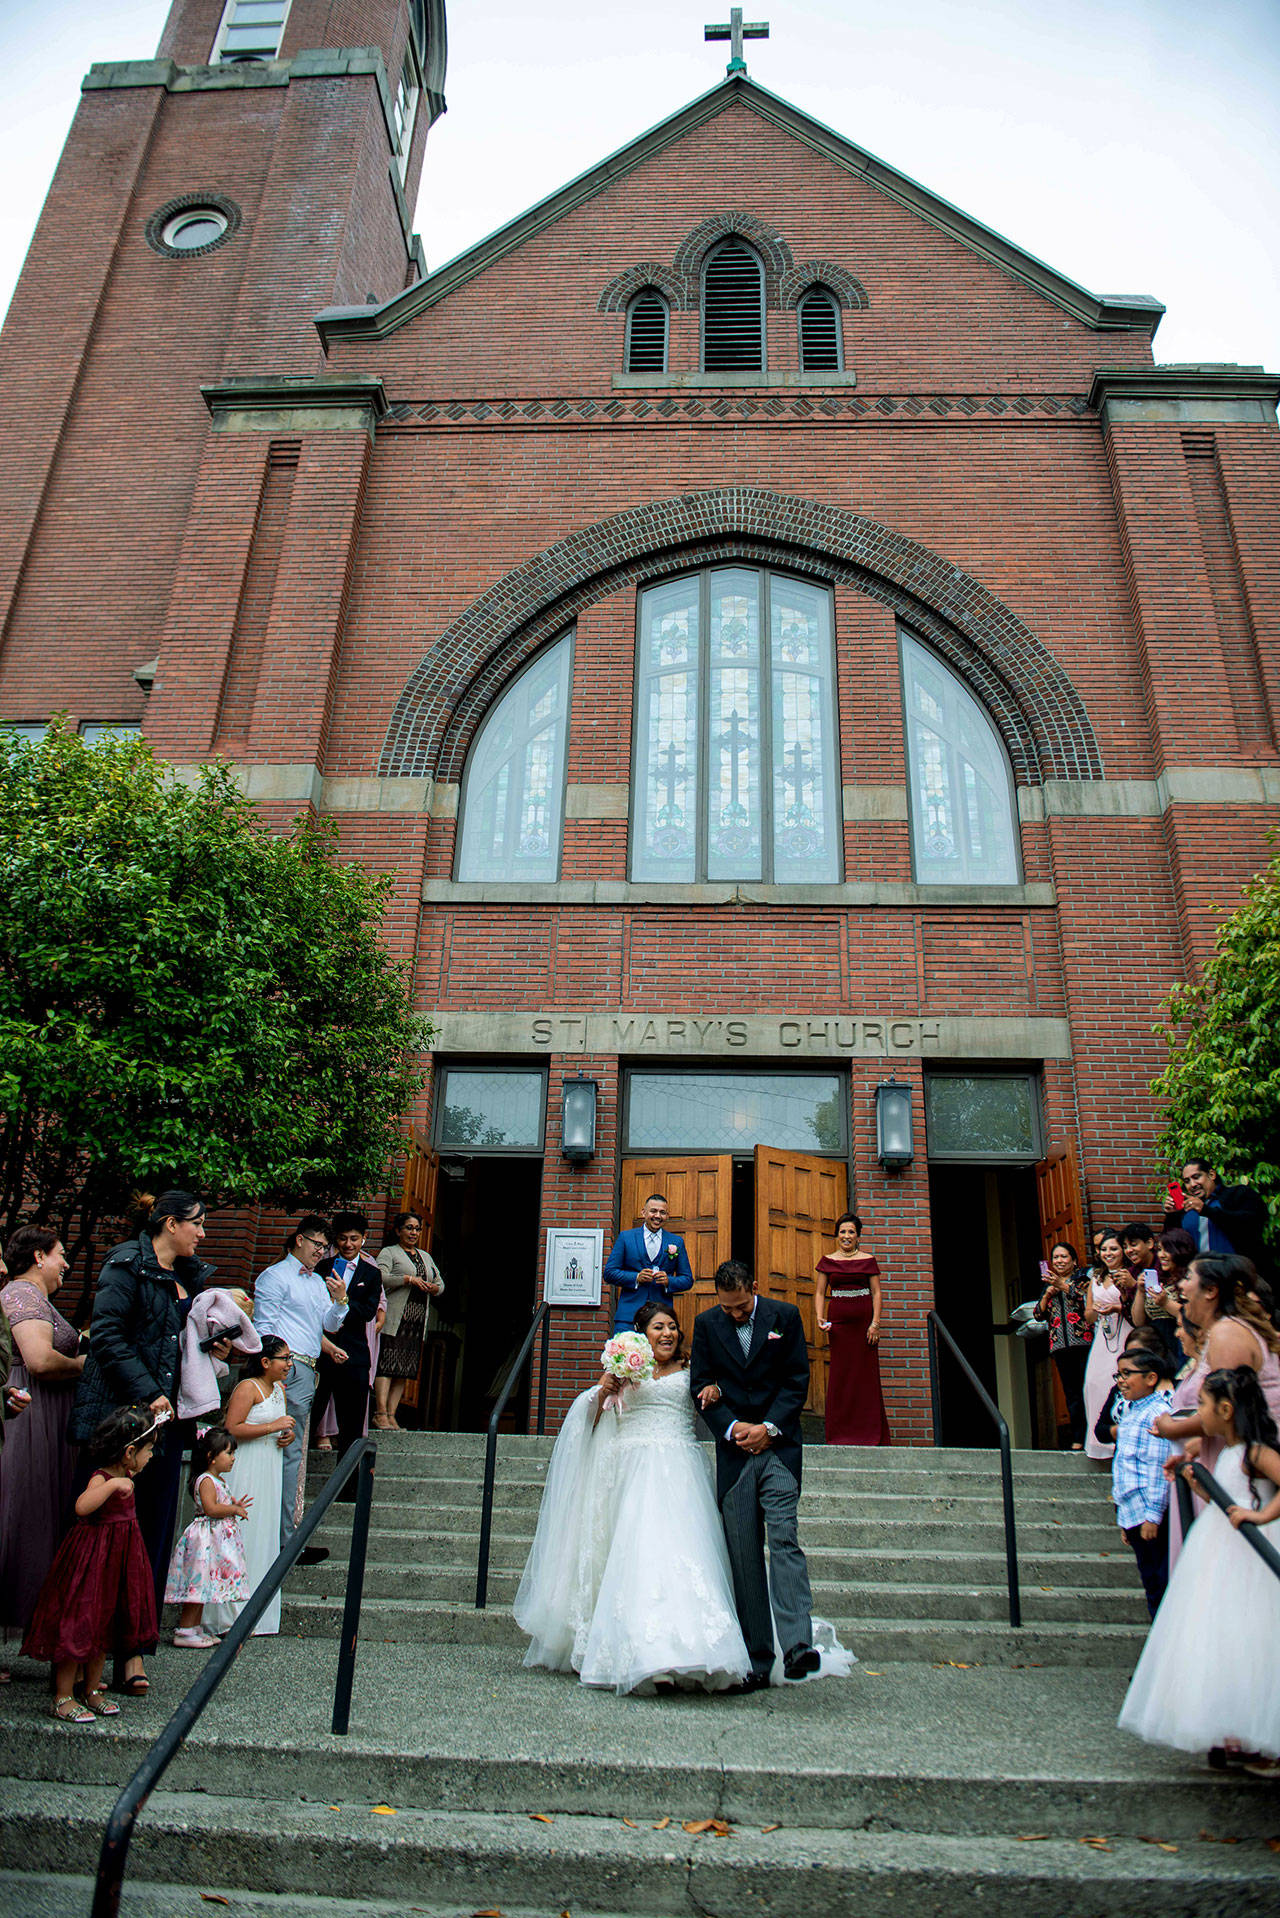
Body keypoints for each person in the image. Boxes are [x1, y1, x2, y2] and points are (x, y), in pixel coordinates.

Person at [514, 1301, 753, 1693]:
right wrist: (603, 1390)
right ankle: (642, 1652)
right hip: (630, 1473)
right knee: (638, 1554)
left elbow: (718, 1403)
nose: (668, 1334)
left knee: (683, 1554)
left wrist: (715, 1388)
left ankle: (690, 1649)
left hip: (680, 1472)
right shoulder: (627, 1372)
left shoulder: (693, 1371)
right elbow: (593, 1419)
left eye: (673, 1327)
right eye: (659, 1327)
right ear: (642, 1334)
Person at [68, 1189, 214, 1694]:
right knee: (101, 1539)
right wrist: (150, 1392)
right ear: (170, 1223)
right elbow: (106, 1336)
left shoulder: (191, 1277)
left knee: (149, 1539)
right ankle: (80, 1655)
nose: (203, 1233)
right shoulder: (125, 1264)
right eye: (196, 1223)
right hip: (120, 1421)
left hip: (166, 1426)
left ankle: (134, 1652)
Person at [1119, 1367, 1280, 1770]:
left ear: (1225, 1409)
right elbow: (1222, 1497)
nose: (1198, 1413)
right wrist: (1194, 1482)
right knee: (1221, 1636)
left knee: (1252, 1636)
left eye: (1203, 1405)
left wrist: (1262, 1517)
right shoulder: (1227, 1452)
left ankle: (1256, 1737)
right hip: (1218, 1549)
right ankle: (1231, 1732)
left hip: (1248, 1555)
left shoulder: (1256, 1452)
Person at [690, 1261, 825, 1690]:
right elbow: (701, 1384)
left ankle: (797, 1645)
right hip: (735, 1455)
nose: (735, 1314)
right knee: (744, 1555)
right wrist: (732, 1428)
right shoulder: (707, 1324)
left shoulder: (784, 1317)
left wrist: (768, 1428)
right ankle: (757, 1658)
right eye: (728, 1308)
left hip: (780, 1450)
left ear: (754, 1289)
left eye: (742, 1306)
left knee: (784, 1539)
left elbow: (796, 1380)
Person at [23, 1406, 158, 1724]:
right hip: (93, 1561)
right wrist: (111, 1486)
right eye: (148, 1450)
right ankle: (63, 1695)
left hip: (118, 1561)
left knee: (104, 1626)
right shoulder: (103, 1477)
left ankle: (92, 1689)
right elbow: (82, 1507)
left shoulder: (126, 1476)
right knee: (81, 1623)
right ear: (129, 1452)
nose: (151, 1456)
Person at [0, 1228, 86, 1649]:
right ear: (38, 1256)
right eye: (60, 1255)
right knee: (20, 1516)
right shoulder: (22, 1294)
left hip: (48, 1417)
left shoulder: (37, 1298)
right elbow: (38, 1359)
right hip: (26, 1416)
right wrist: (85, 1363)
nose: (66, 1264)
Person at [252, 1215, 347, 1559]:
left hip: (307, 1368)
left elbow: (328, 1324)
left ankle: (283, 1538)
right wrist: (274, 1368)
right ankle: (278, 1540)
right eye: (317, 1244)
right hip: (283, 1366)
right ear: (298, 1240)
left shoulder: (315, 1283)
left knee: (292, 1452)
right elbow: (264, 1328)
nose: (321, 1252)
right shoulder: (276, 1276)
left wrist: (340, 1301)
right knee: (281, 1449)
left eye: (325, 1247)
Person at [207, 1337, 294, 1638]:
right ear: (266, 1362)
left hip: (270, 1465)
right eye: (284, 1358)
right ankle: (227, 1613)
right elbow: (231, 1428)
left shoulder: (279, 1390)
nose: (289, 1364)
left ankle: (258, 1613)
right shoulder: (248, 1387)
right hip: (246, 1467)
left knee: (263, 1532)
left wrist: (285, 1436)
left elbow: (277, 1426)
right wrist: (273, 1427)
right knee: (242, 1532)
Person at [164, 1426, 249, 1648]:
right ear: (211, 1457)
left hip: (213, 1540)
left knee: (203, 1585)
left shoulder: (217, 1479)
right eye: (229, 1453)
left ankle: (194, 1627)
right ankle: (185, 1629)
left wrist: (233, 1505)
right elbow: (210, 1508)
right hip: (205, 1540)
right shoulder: (206, 1480)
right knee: (197, 1584)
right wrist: (232, 1510)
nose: (233, 1459)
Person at [311, 1213, 383, 1475]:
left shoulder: (372, 1274)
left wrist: (342, 1302)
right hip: (320, 1350)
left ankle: (348, 1485)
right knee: (311, 1412)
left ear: (364, 1239)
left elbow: (367, 1311)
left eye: (354, 1239)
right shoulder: (321, 1267)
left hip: (354, 1354)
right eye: (343, 1238)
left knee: (352, 1425)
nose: (349, 1244)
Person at [1109, 1346, 1174, 1618]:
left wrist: (1152, 1516)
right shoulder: (1131, 1412)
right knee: (1149, 1580)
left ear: (1151, 1378)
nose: (1121, 1381)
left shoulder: (1157, 1412)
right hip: (1132, 1511)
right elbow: (1125, 1464)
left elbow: (1157, 1468)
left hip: (1149, 1514)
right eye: (1118, 1374)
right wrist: (1125, 1517)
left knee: (1159, 1580)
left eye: (1128, 1374)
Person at [814, 1212, 890, 1445]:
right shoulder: (828, 1261)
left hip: (864, 1327)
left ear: (858, 1237)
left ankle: (870, 1434)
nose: (846, 1236)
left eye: (851, 1232)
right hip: (840, 1327)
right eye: (843, 1232)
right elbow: (819, 1292)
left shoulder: (868, 1260)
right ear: (837, 1235)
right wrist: (819, 1316)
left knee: (865, 1377)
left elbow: (876, 1293)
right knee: (842, 1376)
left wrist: (875, 1324)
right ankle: (841, 1434)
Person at [374, 1211, 443, 1432]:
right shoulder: (389, 1252)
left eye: (417, 1229)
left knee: (404, 1368)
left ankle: (392, 1415)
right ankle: (380, 1413)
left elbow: (440, 1282)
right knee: (386, 1364)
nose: (413, 1233)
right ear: (398, 1230)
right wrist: (406, 1279)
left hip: (416, 1320)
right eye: (409, 1228)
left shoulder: (425, 1256)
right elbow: (379, 1276)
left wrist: (435, 1288)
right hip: (395, 1317)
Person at [1082, 1232, 1143, 1461]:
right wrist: (1096, 1309)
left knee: (1118, 1381)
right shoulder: (1095, 1278)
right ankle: (1098, 1443)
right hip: (1103, 1336)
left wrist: (1117, 1308)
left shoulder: (1129, 1276)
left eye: (1114, 1249)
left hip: (1125, 1331)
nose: (1108, 1254)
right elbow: (1088, 1317)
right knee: (1093, 1384)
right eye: (1104, 1250)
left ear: (1123, 1252)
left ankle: (1123, 1440)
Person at [1032, 1240, 1093, 1449]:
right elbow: (1038, 1315)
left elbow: (1085, 1298)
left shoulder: (1082, 1278)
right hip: (1059, 1345)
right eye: (1055, 1257)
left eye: (1064, 1256)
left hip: (1083, 1341)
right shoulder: (1047, 1285)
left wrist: (1063, 1286)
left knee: (1089, 1389)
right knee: (1071, 1392)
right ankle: (1078, 1438)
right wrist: (1047, 1295)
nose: (1059, 1260)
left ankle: (1093, 1436)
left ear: (1074, 1261)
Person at [604, 1193, 693, 1332]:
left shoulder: (676, 1242)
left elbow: (688, 1279)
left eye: (662, 1212)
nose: (658, 1216)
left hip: (661, 1317)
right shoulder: (626, 1238)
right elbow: (609, 1273)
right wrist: (636, 1278)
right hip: (628, 1316)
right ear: (643, 1212)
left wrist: (668, 1281)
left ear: (667, 1215)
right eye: (653, 1211)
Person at [1167, 1159, 1271, 1274]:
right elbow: (1172, 1243)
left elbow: (1250, 1223)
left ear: (1212, 1174)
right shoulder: (1186, 1210)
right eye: (1187, 1181)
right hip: (1200, 1279)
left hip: (1238, 1275)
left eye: (1196, 1177)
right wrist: (1172, 1215)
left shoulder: (1238, 1194)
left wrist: (1206, 1210)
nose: (1192, 1184)